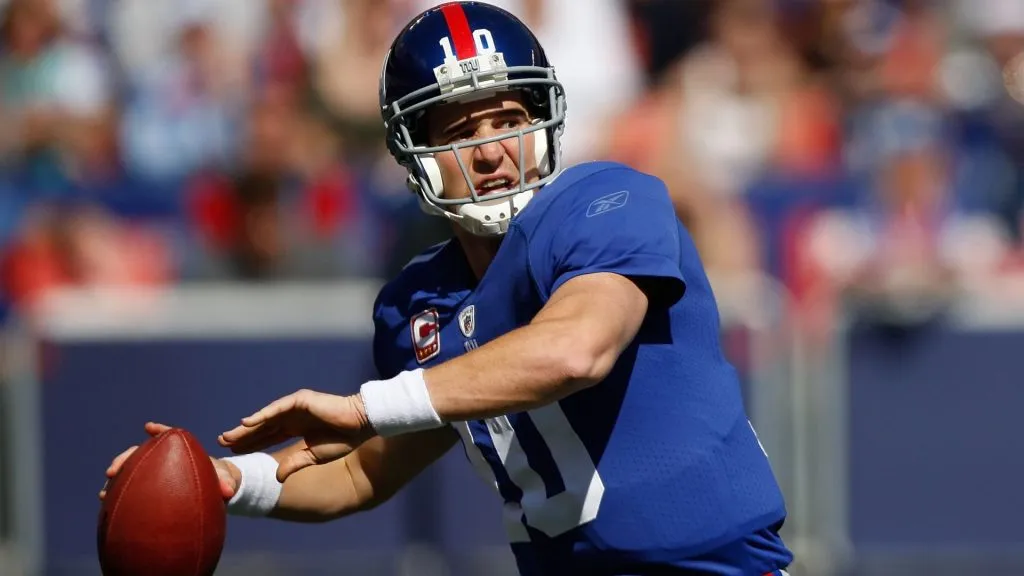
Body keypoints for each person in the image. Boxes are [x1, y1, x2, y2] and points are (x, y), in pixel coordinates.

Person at [102, 2, 794, 574]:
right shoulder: (418, 302)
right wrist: (230, 480)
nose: (491, 151)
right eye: (461, 130)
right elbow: (359, 474)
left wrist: (369, 406)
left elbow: (575, 350)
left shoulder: (607, 201)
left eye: (509, 121)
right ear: (415, 152)